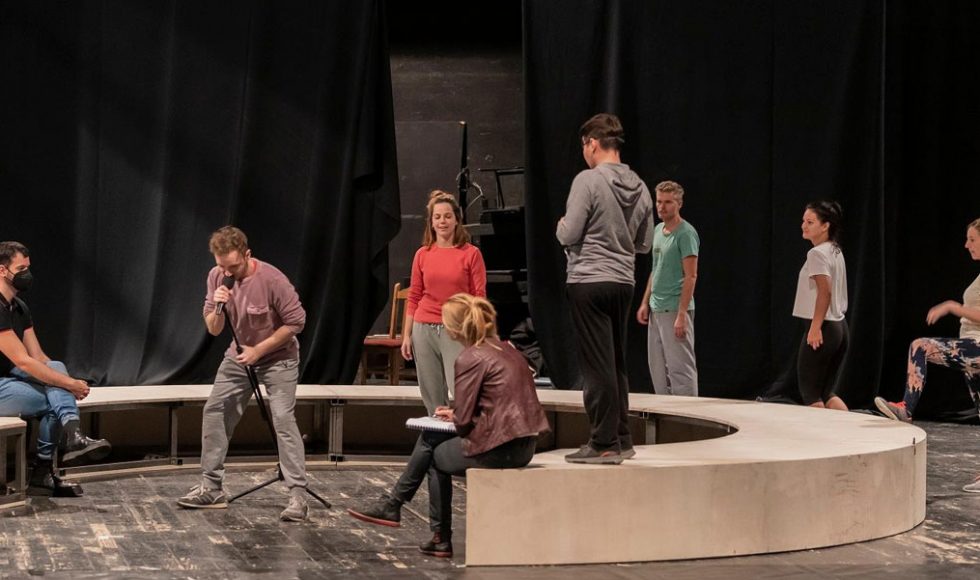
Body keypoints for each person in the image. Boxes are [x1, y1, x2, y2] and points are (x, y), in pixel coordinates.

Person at [348, 294, 549, 558]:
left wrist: (456, 416)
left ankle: (426, 527)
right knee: (432, 438)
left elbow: (464, 425)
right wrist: (455, 413)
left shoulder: (470, 357)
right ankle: (398, 509)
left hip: (501, 449)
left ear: (454, 329)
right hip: (526, 445)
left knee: (433, 453)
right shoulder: (508, 350)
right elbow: (495, 403)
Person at [177, 226, 310, 521]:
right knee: (215, 410)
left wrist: (259, 350)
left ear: (247, 255)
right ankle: (212, 487)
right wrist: (219, 307)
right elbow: (214, 329)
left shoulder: (272, 279)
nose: (227, 272)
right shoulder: (216, 276)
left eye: (233, 266)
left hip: (278, 358)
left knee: (283, 418)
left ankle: (298, 495)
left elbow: (296, 323)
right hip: (239, 357)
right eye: (222, 266)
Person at [556, 113, 653, 464]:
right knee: (615, 362)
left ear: (593, 143)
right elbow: (644, 243)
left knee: (597, 366)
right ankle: (622, 438)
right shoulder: (640, 186)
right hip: (623, 282)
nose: (584, 152)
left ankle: (603, 442)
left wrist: (560, 226)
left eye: (584, 146)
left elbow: (569, 233)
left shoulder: (588, 180)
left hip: (589, 280)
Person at [874, 218, 980, 493]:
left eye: (972, 239)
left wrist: (952, 307)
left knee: (920, 346)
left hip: (977, 346)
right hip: (972, 348)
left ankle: (906, 408)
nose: (966, 244)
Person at [0, 241, 111, 497]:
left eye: (28, 267)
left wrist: (61, 380)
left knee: (56, 369)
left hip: (11, 381)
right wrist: (68, 384)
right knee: (55, 400)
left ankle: (71, 437)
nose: (27, 274)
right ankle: (46, 468)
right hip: (3, 384)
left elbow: (39, 356)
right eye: (21, 269)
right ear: (2, 270)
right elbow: (23, 361)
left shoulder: (19, 308)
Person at [402, 190, 487, 414]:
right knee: (431, 394)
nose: (442, 221)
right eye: (437, 217)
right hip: (423, 328)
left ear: (457, 219)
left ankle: (464, 432)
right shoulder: (422, 254)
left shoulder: (471, 254)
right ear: (431, 222)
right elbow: (414, 296)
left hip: (456, 329)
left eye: (448, 216)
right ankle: (436, 432)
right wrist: (406, 335)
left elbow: (479, 297)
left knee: (461, 389)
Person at [636, 180, 700, 396]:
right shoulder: (657, 230)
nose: (662, 207)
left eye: (668, 202)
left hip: (674, 308)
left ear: (679, 204)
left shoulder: (686, 233)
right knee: (657, 368)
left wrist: (681, 315)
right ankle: (664, 411)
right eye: (659, 202)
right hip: (657, 308)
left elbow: (691, 275)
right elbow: (656, 269)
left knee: (680, 369)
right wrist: (645, 302)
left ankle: (688, 413)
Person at [791, 201, 849, 410]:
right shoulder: (834, 249)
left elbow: (825, 292)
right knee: (826, 393)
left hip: (824, 327)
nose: (803, 226)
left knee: (810, 394)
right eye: (803, 221)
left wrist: (815, 328)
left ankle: (819, 432)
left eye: (810, 222)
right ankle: (849, 429)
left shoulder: (817, 254)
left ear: (825, 226)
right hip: (839, 327)